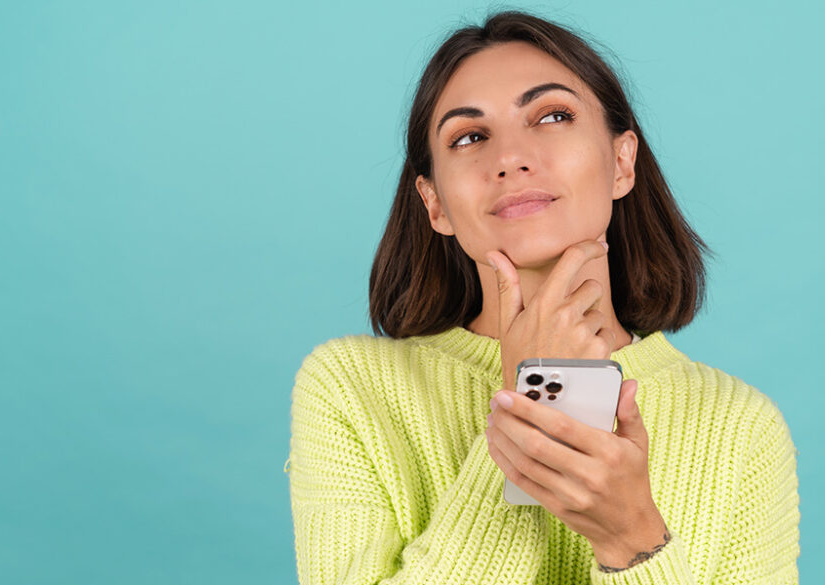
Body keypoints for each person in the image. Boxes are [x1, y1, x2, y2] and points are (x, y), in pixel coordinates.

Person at [286, 9, 799, 584]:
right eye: (470, 136)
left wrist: (630, 537)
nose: (509, 158)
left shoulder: (738, 425)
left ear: (622, 162)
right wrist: (529, 403)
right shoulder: (348, 387)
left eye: (553, 115)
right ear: (434, 204)